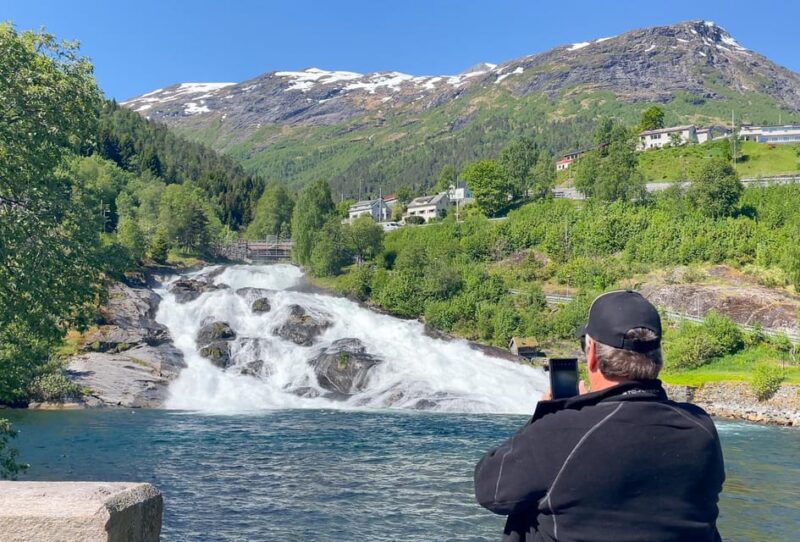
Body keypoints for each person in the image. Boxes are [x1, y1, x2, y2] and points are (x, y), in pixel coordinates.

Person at [474, 290, 725, 542]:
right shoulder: (701, 429)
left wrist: (545, 416)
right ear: (657, 356)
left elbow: (490, 490)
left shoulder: (560, 430)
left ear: (592, 352)